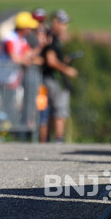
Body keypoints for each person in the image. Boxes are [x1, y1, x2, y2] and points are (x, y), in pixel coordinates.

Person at [39, 9, 77, 143]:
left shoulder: (51, 38)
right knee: (60, 110)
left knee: (47, 112)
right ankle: (58, 139)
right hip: (54, 79)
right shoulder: (52, 39)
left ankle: (48, 140)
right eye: (63, 23)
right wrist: (66, 70)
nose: (65, 27)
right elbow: (51, 60)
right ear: (55, 23)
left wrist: (64, 61)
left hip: (49, 78)